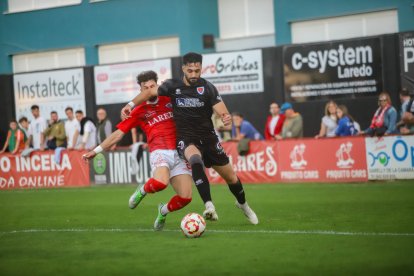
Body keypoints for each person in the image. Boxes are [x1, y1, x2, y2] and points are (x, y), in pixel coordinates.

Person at [121, 52, 258, 225]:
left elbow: (222, 110)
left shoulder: (208, 88)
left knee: (231, 178)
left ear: (201, 68)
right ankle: (209, 206)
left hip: (208, 138)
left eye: (197, 70)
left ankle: (243, 204)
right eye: (190, 70)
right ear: (183, 68)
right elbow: (149, 93)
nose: (194, 74)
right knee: (195, 160)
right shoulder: (172, 85)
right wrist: (130, 105)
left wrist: (226, 117)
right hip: (186, 138)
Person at [83, 71, 193, 231]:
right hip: (159, 151)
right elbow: (118, 134)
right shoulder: (138, 111)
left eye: (152, 86)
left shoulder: (170, 99)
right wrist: (96, 150)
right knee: (161, 183)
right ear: (140, 90)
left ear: (157, 85)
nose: (149, 90)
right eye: (145, 87)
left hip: (179, 153)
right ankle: (142, 190)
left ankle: (163, 211)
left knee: (185, 197)